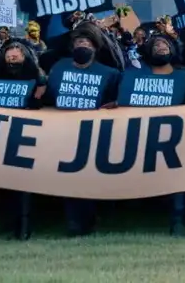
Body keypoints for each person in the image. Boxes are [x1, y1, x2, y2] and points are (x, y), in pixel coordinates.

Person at [44, 21, 121, 236]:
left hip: (94, 133)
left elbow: (116, 100)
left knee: (90, 179)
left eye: (87, 43)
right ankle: (73, 223)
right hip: (63, 132)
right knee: (69, 180)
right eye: (78, 42)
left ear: (95, 48)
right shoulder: (59, 67)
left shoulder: (110, 73)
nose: (82, 46)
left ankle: (90, 220)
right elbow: (49, 97)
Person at [0, 38, 47, 239]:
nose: (12, 60)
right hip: (0, 135)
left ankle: (24, 227)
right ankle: (8, 222)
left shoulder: (37, 77)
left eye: (16, 57)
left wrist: (40, 91)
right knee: (4, 184)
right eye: (9, 57)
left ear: (25, 58)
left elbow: (42, 105)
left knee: (23, 185)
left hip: (26, 137)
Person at [122, 33, 185, 235]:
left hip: (174, 141)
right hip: (140, 139)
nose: (161, 46)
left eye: (165, 44)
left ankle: (177, 219)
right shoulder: (135, 76)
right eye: (156, 44)